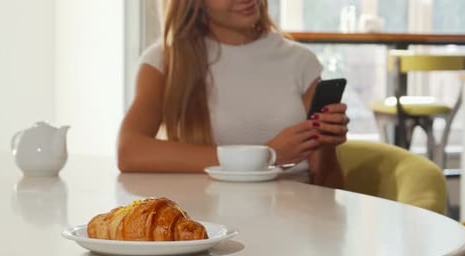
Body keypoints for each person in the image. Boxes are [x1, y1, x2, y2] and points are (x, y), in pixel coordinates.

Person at [117, 0, 350, 188]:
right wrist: (264, 156)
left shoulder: (301, 61)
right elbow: (129, 151)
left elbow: (327, 187)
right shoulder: (165, 61)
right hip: (207, 221)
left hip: (296, 219)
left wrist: (328, 144)